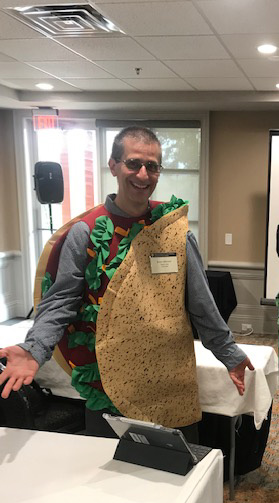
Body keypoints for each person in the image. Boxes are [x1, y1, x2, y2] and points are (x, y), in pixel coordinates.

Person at [0, 126, 253, 442]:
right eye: (134, 163)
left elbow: (201, 304)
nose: (143, 175)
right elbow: (61, 301)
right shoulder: (86, 232)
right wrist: (35, 348)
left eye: (152, 166)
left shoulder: (174, 231)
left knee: (177, 465)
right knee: (111, 467)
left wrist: (229, 353)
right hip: (109, 383)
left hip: (169, 379)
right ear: (113, 166)